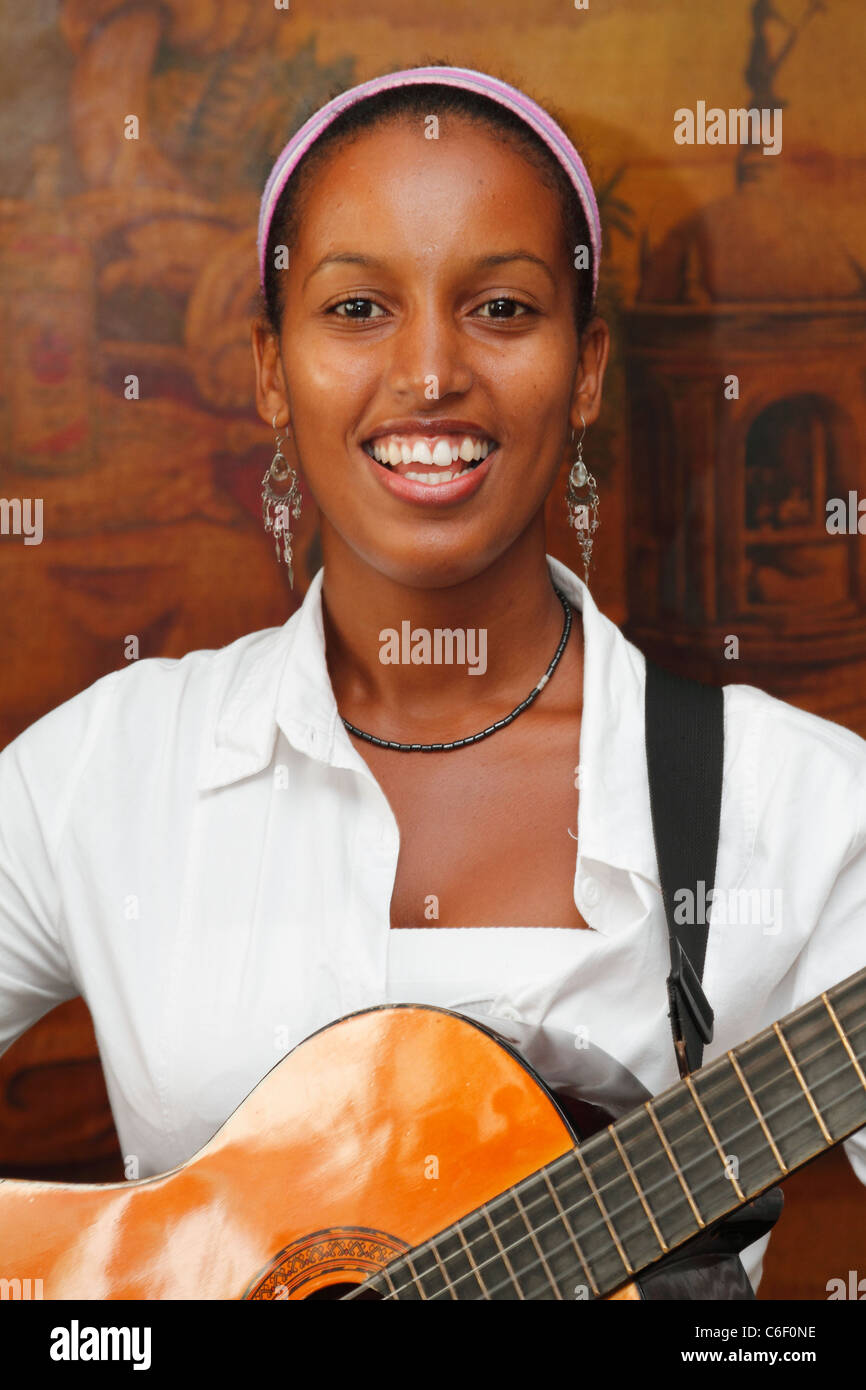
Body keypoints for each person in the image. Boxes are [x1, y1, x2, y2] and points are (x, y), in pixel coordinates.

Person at [0, 63, 863, 1297]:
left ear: (585, 369)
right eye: (355, 309)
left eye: (502, 309)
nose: (428, 374)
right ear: (266, 368)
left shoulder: (805, 808)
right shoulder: (101, 772)